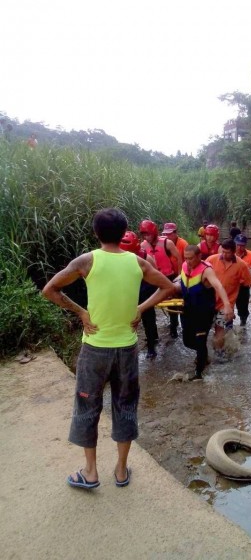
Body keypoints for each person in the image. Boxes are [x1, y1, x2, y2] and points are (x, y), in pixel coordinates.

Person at [42, 208, 175, 490]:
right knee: (125, 405)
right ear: (125, 230)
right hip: (127, 348)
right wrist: (140, 308)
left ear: (96, 233)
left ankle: (90, 472)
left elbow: (50, 290)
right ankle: (121, 470)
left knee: (87, 404)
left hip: (94, 349)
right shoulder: (138, 263)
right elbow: (167, 287)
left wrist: (81, 312)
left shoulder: (86, 261)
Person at [174, 245, 233, 380]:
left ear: (199, 257)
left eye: (191, 258)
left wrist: (227, 305)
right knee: (187, 341)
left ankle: (199, 374)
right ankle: (204, 355)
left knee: (200, 341)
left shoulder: (207, 271)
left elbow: (218, 285)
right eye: (186, 258)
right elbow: (180, 278)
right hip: (187, 310)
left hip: (203, 312)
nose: (188, 261)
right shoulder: (185, 265)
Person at [208, 239, 251, 355]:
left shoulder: (241, 265)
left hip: (226, 304)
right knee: (207, 328)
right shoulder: (212, 260)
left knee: (219, 328)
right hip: (209, 301)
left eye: (227, 252)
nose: (224, 254)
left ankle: (219, 354)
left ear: (233, 252)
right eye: (223, 251)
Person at [139, 219, 182, 339]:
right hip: (152, 280)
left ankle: (174, 328)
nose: (146, 237)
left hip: (168, 277)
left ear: (154, 232)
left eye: (148, 234)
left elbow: (178, 258)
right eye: (144, 235)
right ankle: (152, 337)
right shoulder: (142, 246)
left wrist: (179, 276)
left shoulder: (167, 243)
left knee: (172, 304)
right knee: (148, 308)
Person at [119, 231, 158, 359]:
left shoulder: (146, 258)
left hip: (144, 289)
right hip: (127, 290)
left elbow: (156, 276)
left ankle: (151, 346)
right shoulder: (116, 257)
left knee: (149, 320)